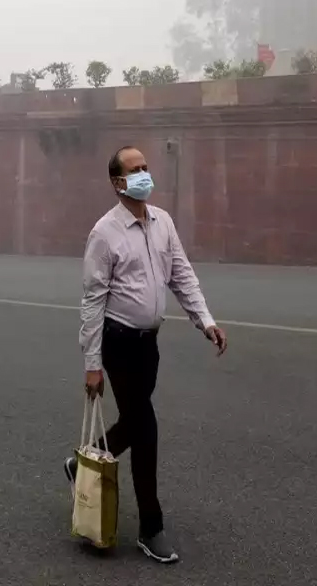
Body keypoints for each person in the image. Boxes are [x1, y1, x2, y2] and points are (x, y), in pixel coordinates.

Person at [67, 145, 227, 565]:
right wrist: (92, 364)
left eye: (146, 167)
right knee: (146, 428)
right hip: (118, 342)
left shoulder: (163, 223)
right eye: (135, 170)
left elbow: (182, 275)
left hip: (148, 346)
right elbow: (92, 301)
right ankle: (150, 527)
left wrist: (205, 321)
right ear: (118, 182)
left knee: (135, 422)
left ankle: (79, 465)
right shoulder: (104, 233)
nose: (144, 174)